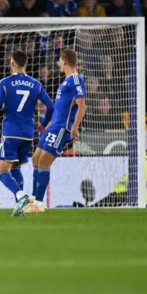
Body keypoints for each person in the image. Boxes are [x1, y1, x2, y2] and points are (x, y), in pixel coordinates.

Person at [0, 50, 54, 214]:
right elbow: (51, 106)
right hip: (28, 134)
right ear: (26, 64)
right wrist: (43, 124)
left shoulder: (5, 83)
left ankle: (21, 195)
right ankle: (20, 208)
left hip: (11, 132)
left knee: (2, 171)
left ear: (11, 63)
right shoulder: (36, 84)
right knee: (16, 169)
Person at [29, 49, 86, 216]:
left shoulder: (76, 79)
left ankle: (38, 204)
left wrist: (74, 128)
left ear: (65, 62)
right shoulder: (65, 82)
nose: (59, 64)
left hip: (63, 128)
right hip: (54, 126)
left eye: (60, 61)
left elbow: (82, 106)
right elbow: (62, 108)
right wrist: (48, 125)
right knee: (35, 159)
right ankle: (33, 200)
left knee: (44, 161)